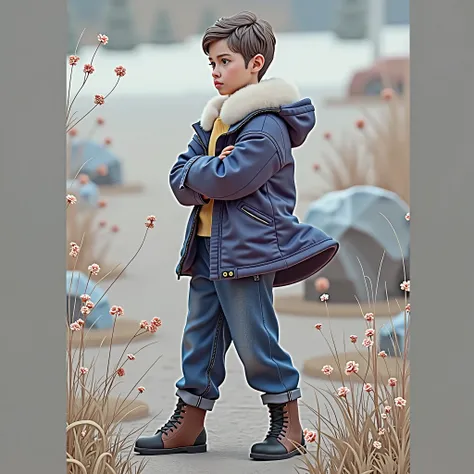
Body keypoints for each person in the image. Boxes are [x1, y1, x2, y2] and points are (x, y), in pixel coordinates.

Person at [134, 10, 339, 462]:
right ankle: (189, 423)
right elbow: (178, 178)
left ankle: (288, 424)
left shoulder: (266, 126)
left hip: (248, 250)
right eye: (211, 63)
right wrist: (206, 168)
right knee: (200, 338)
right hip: (209, 246)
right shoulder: (216, 122)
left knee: (255, 339)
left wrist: (203, 170)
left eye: (225, 61)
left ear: (256, 63)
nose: (215, 72)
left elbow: (228, 179)